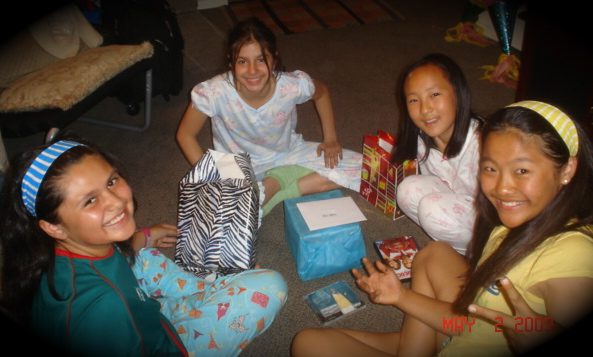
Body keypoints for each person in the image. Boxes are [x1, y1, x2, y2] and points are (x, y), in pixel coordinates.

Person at [292, 101, 593, 356]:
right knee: (435, 253)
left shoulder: (573, 255)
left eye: (522, 170)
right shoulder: (506, 227)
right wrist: (401, 297)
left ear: (567, 169)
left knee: (309, 346)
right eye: (490, 168)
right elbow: (473, 322)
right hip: (462, 332)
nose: (501, 187)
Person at [0, 138, 287, 356]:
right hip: (160, 340)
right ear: (53, 226)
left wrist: (145, 235)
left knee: (141, 254)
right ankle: (211, 293)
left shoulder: (52, 252)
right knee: (270, 286)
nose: (115, 201)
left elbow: (122, 256)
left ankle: (206, 290)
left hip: (138, 310)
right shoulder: (106, 308)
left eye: (111, 181)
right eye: (90, 200)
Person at [176, 17, 362, 217]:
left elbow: (322, 92)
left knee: (363, 170)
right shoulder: (213, 92)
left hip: (286, 154)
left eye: (261, 60)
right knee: (212, 215)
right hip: (236, 166)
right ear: (230, 61)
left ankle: (274, 186)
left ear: (274, 58)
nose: (252, 71)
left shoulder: (291, 85)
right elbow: (185, 135)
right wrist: (213, 177)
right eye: (242, 61)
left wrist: (331, 138)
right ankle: (267, 190)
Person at [392, 53, 484, 255]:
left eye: (434, 95)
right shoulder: (421, 137)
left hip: (491, 219)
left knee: (431, 210)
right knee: (406, 190)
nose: (425, 109)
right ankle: (456, 245)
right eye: (414, 100)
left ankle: (477, 254)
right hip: (460, 203)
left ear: (458, 93)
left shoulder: (484, 144)